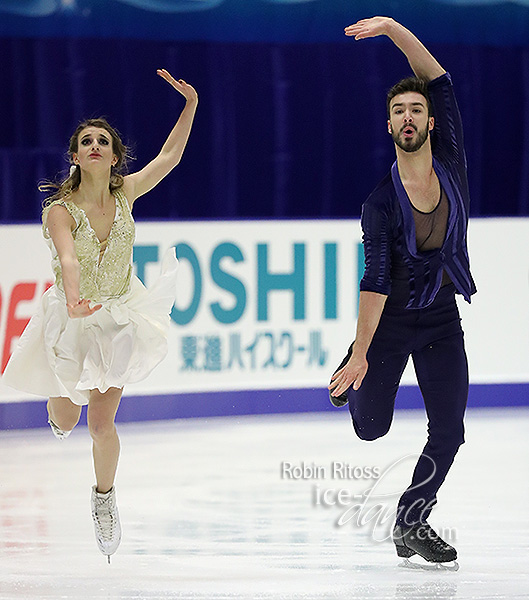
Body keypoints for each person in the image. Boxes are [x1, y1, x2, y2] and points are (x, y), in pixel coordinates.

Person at [2, 69, 198, 562]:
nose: (94, 146)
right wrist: (71, 300)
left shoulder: (126, 193)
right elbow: (68, 258)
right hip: (72, 315)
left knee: (101, 425)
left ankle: (104, 498)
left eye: (103, 141)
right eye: (85, 141)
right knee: (67, 415)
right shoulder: (60, 210)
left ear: (113, 157)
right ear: (75, 156)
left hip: (118, 315)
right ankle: (56, 405)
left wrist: (190, 103)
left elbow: (170, 157)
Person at [328, 17, 476, 566]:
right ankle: (353, 365)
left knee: (451, 431)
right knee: (371, 429)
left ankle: (411, 522)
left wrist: (391, 27)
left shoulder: (452, 163)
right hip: (389, 323)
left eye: (415, 109)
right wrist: (363, 350)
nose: (407, 116)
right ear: (388, 125)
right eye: (398, 111)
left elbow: (438, 78)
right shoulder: (379, 205)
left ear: (431, 122)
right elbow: (376, 279)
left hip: (440, 319)